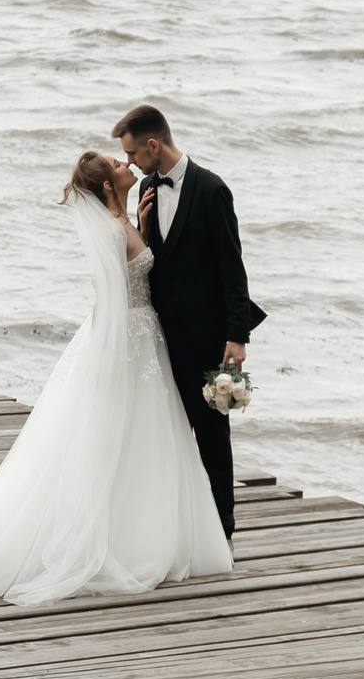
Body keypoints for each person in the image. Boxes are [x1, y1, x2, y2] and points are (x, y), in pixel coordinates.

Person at [0, 151, 232, 604]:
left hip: (145, 338)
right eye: (116, 163)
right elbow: (110, 298)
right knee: (129, 436)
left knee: (147, 438)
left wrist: (142, 232)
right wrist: (107, 356)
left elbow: (137, 270)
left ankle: (148, 530)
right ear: (108, 185)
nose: (126, 165)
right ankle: (127, 543)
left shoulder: (119, 220)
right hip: (128, 340)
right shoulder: (110, 230)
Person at [112, 104, 264, 537]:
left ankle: (222, 534)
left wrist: (237, 335)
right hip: (160, 340)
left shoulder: (212, 189)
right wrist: (140, 227)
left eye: (134, 155)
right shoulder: (148, 190)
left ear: (154, 145)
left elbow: (232, 268)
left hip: (205, 340)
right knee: (168, 436)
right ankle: (174, 532)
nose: (130, 164)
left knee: (212, 439)